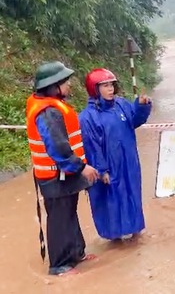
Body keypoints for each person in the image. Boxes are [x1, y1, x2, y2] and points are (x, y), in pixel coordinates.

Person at [26, 61, 99, 276]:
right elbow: (57, 147)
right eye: (65, 82)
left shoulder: (51, 104)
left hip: (61, 174)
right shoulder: (48, 112)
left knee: (68, 213)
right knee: (59, 218)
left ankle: (76, 253)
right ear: (52, 86)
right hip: (54, 175)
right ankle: (59, 265)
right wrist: (80, 167)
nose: (69, 86)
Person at [79, 68, 152, 241]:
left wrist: (141, 106)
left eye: (111, 85)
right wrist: (102, 170)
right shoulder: (88, 117)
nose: (110, 89)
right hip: (108, 166)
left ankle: (135, 233)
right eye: (105, 86)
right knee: (111, 202)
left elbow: (134, 121)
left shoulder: (121, 105)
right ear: (95, 89)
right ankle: (115, 240)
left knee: (132, 194)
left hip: (129, 161)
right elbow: (91, 146)